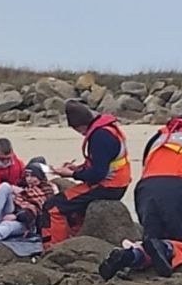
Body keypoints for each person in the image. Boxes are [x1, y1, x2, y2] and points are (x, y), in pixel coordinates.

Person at [98, 113, 182, 280]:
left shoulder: (157, 137)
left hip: (146, 189)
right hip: (177, 188)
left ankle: (131, 256)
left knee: (152, 241)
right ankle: (165, 248)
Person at [42, 100, 131, 246]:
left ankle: (53, 248)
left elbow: (98, 174)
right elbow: (103, 162)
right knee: (75, 208)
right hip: (120, 182)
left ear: (80, 126)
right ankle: (76, 238)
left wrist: (71, 175)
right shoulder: (108, 128)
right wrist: (78, 168)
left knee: (52, 206)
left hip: (108, 186)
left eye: (77, 130)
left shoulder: (99, 136)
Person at [0, 158, 56, 244]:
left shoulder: (47, 190)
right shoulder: (24, 188)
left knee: (7, 225)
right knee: (5, 186)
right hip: (12, 212)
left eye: (33, 176)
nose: (29, 179)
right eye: (27, 176)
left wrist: (16, 216)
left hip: (27, 223)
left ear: (40, 176)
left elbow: (35, 210)